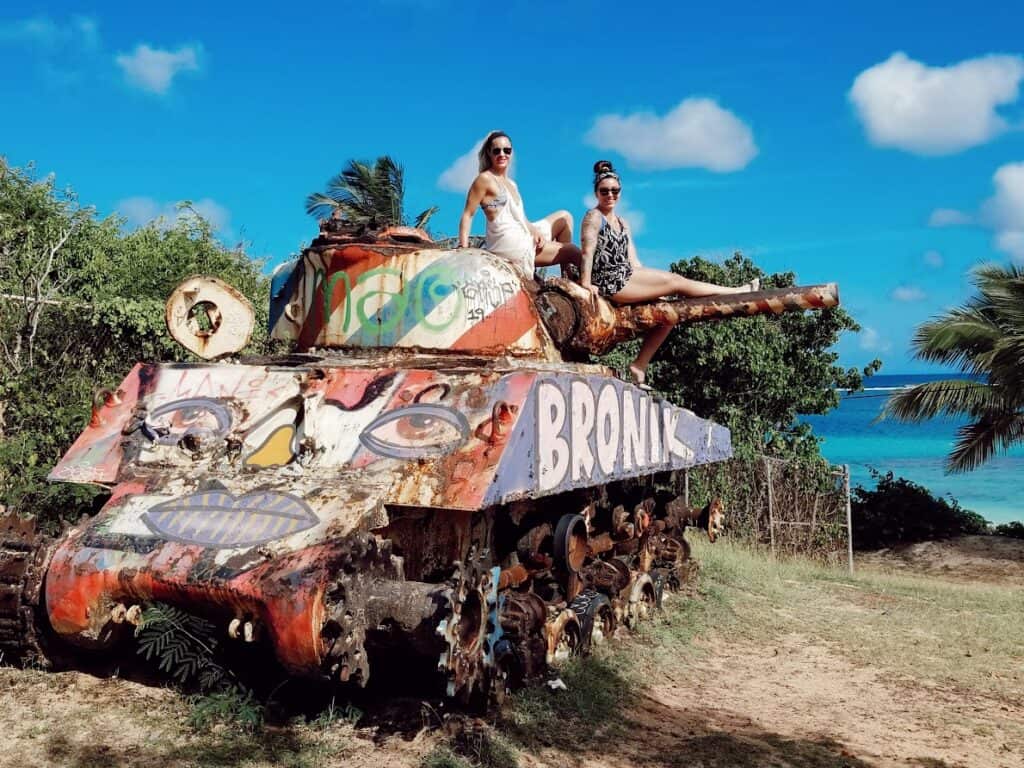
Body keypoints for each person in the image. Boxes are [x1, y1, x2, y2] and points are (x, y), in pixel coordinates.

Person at [579, 160, 759, 389]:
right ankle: (736, 292)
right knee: (676, 282)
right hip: (610, 281)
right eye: (604, 191)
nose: (610, 195)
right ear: (596, 192)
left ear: (621, 192)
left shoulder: (623, 223)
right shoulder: (593, 217)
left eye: (615, 191)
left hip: (628, 276)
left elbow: (634, 262)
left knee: (668, 313)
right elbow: (587, 251)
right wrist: (586, 283)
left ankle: (639, 366)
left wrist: (652, 283)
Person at [458, 131, 580, 274]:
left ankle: (567, 277)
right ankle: (592, 283)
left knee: (565, 217)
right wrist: (463, 248)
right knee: (572, 251)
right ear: (489, 153)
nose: (502, 154)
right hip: (509, 242)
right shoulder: (485, 179)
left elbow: (521, 218)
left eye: (507, 150)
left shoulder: (512, 184)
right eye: (496, 151)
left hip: (522, 231)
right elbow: (468, 214)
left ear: (511, 153)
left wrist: (535, 232)